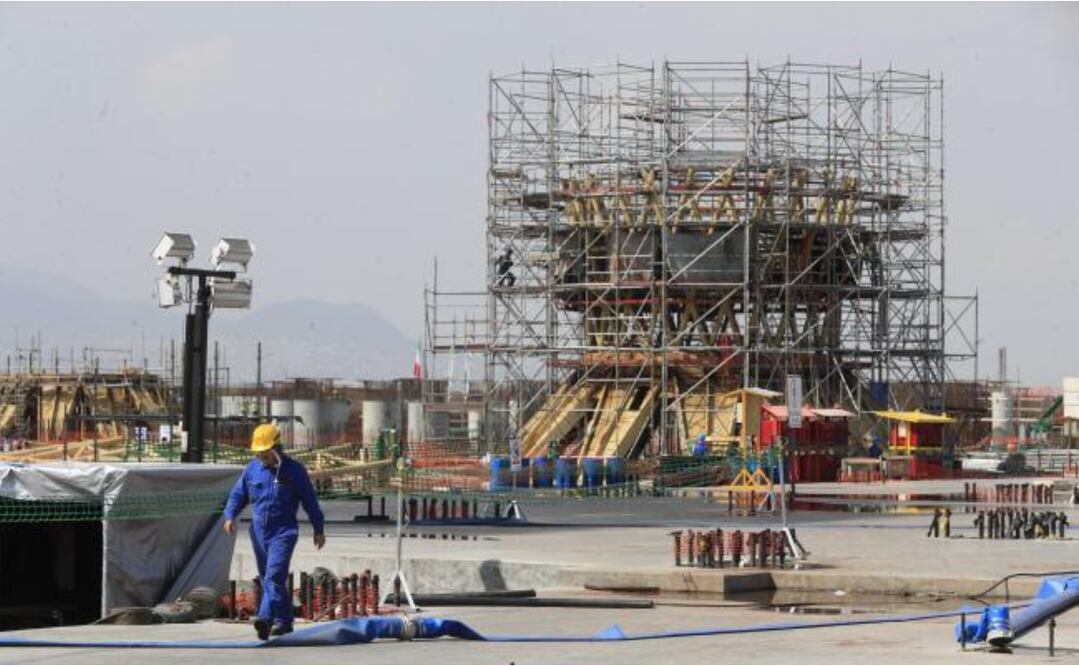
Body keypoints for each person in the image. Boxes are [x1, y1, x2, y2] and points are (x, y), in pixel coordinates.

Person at [223, 423, 325, 639]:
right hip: (258, 532)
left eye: (265, 452)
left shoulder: (295, 471)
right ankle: (285, 621)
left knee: (273, 577)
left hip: (283, 532)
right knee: (268, 578)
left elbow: (310, 502)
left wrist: (319, 529)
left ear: (277, 447)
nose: (262, 457)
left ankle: (265, 619)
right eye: (258, 453)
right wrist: (230, 516)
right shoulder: (252, 469)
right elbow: (237, 495)